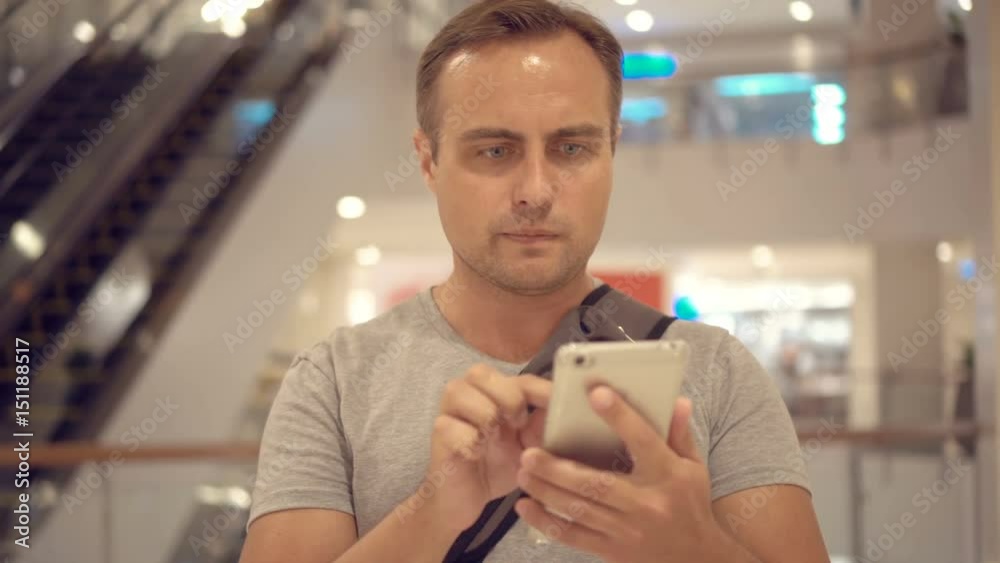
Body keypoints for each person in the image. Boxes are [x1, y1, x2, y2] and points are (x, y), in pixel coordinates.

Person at [239, 1, 830, 561]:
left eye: (572, 147)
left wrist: (691, 549)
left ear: (612, 152)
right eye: (495, 151)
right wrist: (431, 512)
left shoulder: (718, 373)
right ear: (428, 162)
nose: (536, 191)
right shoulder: (335, 381)